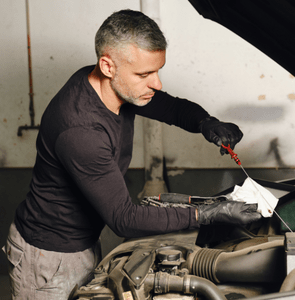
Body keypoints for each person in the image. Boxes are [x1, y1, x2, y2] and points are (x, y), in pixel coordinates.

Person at [2, 9, 262, 299]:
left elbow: (172, 108)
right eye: (145, 74)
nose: (157, 83)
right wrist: (208, 214)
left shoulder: (115, 87)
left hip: (82, 242)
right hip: (49, 259)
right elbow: (124, 218)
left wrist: (205, 122)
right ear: (108, 66)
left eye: (157, 71)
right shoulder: (80, 130)